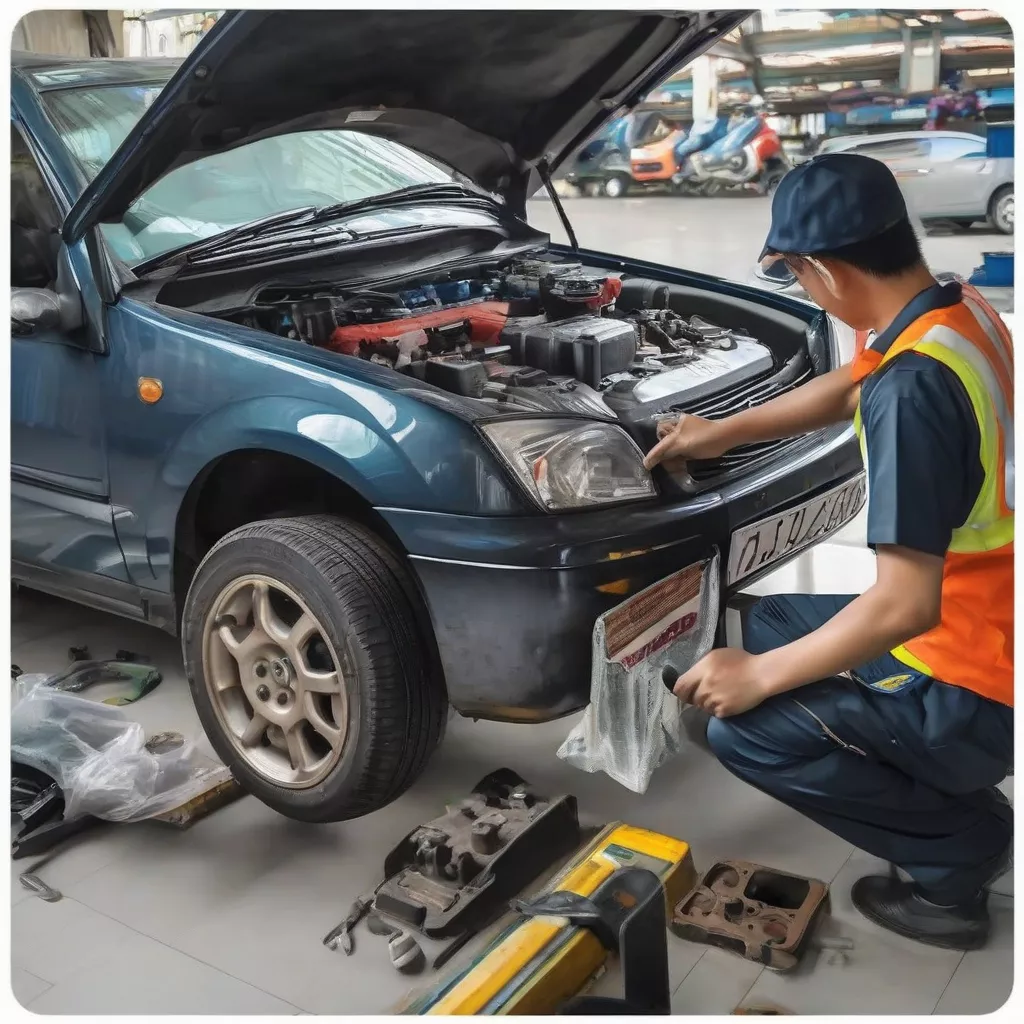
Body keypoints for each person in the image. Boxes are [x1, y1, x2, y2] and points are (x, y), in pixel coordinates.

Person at [648, 153, 1013, 951]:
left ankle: (957, 863)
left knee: (743, 730)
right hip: (989, 619)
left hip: (978, 678)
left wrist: (759, 678)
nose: (806, 290)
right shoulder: (951, 313)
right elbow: (851, 384)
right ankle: (935, 784)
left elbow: (905, 604)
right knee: (777, 617)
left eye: (798, 275)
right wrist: (720, 431)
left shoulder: (914, 394)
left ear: (822, 269)